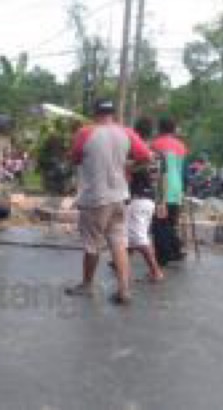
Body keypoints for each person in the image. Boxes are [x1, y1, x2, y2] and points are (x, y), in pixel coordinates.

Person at [64, 98, 151, 305]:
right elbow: (146, 156)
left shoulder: (86, 133)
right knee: (119, 243)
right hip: (120, 196)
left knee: (92, 244)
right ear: (113, 114)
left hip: (95, 197)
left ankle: (87, 285)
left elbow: (74, 158)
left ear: (95, 113)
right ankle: (124, 291)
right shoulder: (127, 132)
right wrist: (127, 166)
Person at [124, 117, 164, 282]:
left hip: (138, 198)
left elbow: (128, 171)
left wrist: (126, 166)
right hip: (150, 198)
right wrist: (161, 201)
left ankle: (156, 271)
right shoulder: (158, 154)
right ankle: (120, 263)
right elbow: (161, 178)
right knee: (133, 234)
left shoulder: (136, 151)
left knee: (139, 237)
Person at [150, 117, 189, 266]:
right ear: (173, 129)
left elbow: (153, 169)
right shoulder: (181, 146)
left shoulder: (155, 145)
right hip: (176, 187)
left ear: (160, 129)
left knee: (159, 224)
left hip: (161, 187)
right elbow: (185, 171)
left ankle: (165, 255)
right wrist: (184, 189)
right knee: (170, 223)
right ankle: (175, 251)